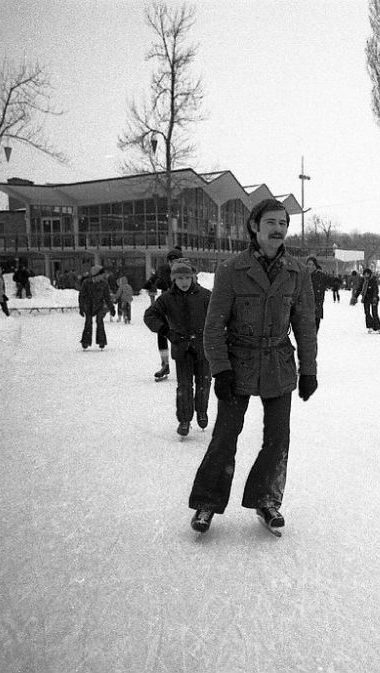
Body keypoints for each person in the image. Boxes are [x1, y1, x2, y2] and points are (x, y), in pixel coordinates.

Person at [188, 198, 318, 535]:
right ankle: (207, 502)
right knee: (225, 436)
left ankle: (266, 498)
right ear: (254, 227)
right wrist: (221, 369)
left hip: (278, 362)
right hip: (239, 361)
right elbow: (214, 325)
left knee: (278, 438)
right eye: (271, 223)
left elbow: (305, 324)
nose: (278, 230)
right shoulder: (231, 269)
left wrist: (309, 370)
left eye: (283, 224)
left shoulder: (297, 271)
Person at [144, 259, 212, 436]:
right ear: (174, 279)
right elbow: (150, 316)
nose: (184, 282)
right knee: (184, 386)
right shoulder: (166, 298)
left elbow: (220, 316)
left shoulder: (205, 295)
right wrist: (166, 331)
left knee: (204, 382)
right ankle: (184, 419)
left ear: (193, 277)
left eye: (187, 277)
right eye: (180, 278)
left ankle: (202, 410)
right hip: (181, 348)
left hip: (203, 347)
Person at [144, 248, 181, 379]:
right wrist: (150, 283)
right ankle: (165, 364)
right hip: (166, 307)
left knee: (184, 336)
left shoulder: (185, 271)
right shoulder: (164, 271)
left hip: (182, 309)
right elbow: (156, 278)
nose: (172, 264)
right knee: (162, 334)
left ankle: (190, 364)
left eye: (175, 261)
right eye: (170, 262)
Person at [78, 264, 114, 349]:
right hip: (88, 306)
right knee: (88, 322)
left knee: (99, 321)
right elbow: (81, 296)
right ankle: (85, 342)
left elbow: (107, 297)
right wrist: (81, 307)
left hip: (99, 305)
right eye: (101, 274)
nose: (103, 276)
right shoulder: (86, 283)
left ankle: (101, 341)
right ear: (96, 275)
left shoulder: (104, 284)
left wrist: (111, 308)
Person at [306, 256, 329, 331]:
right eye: (309, 264)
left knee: (313, 334)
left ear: (316, 266)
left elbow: (331, 281)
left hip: (316, 309)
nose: (310, 267)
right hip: (303, 310)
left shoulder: (320, 276)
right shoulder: (302, 276)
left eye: (313, 265)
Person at [361, 268, 380, 333]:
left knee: (374, 313)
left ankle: (378, 327)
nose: (366, 275)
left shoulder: (373, 281)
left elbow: (376, 290)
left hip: (373, 299)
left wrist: (375, 297)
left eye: (367, 274)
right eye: (365, 274)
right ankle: (370, 326)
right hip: (366, 298)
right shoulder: (363, 281)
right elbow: (360, 288)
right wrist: (355, 296)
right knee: (367, 312)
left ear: (370, 274)